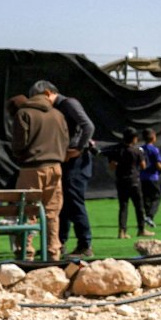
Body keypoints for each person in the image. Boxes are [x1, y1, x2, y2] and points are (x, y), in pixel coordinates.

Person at [32, 81, 97, 259]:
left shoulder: (68, 103)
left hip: (77, 161)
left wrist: (78, 149)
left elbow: (88, 126)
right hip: (66, 160)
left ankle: (85, 244)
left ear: (47, 92)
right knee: (63, 203)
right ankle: (58, 244)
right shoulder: (55, 109)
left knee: (74, 201)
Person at [7, 89, 68, 261]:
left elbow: (19, 144)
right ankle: (53, 252)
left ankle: (26, 253)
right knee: (52, 212)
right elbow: (65, 140)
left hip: (31, 168)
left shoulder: (23, 114)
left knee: (27, 212)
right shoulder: (58, 114)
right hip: (55, 167)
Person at [103, 127, 154, 241]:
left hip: (121, 181)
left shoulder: (117, 151)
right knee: (139, 206)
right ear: (134, 139)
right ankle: (141, 229)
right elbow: (143, 166)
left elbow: (112, 167)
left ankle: (122, 231)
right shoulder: (137, 151)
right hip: (134, 181)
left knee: (123, 206)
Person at [140, 128, 161, 227]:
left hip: (142, 177)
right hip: (152, 177)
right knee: (156, 197)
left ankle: (146, 216)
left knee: (146, 197)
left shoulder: (140, 149)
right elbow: (158, 165)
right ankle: (150, 216)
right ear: (153, 138)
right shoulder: (154, 150)